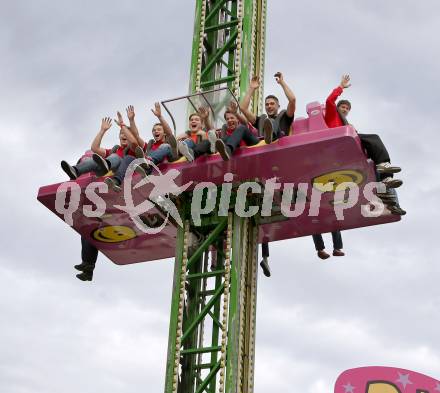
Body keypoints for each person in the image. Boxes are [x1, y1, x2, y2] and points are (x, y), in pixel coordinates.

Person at [324, 74, 406, 215]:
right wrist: (340, 87)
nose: (344, 109)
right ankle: (384, 166)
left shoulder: (348, 123)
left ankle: (388, 194)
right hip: (339, 142)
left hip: (350, 145)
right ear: (337, 107)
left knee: (375, 163)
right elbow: (329, 100)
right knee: (374, 138)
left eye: (347, 108)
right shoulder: (332, 114)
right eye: (342, 107)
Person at [60, 117, 137, 180]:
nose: (124, 135)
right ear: (119, 136)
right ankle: (76, 170)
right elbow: (94, 148)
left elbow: (133, 142)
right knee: (94, 158)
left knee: (115, 157)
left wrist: (122, 126)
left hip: (126, 172)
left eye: (126, 134)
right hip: (105, 171)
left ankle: (106, 164)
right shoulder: (116, 150)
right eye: (122, 133)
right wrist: (102, 131)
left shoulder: (134, 149)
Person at [240, 72, 296, 144]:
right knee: (267, 121)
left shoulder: (285, 117)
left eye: (272, 104)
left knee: (271, 121)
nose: (269, 106)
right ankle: (267, 137)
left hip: (280, 143)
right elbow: (243, 108)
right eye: (267, 104)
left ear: (278, 106)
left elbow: (292, 100)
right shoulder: (261, 121)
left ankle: (271, 135)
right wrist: (251, 88)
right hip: (264, 146)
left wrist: (282, 82)